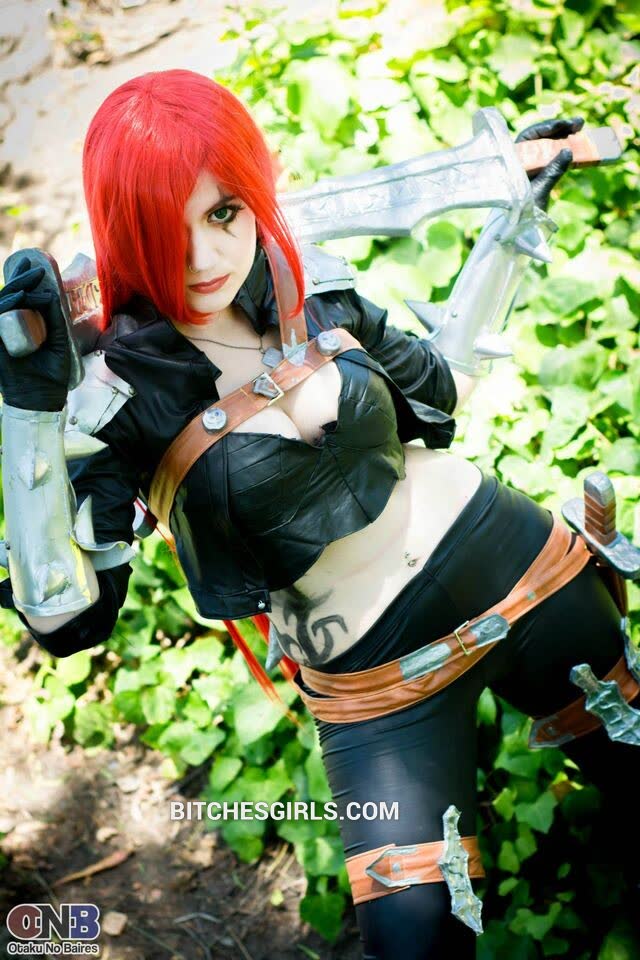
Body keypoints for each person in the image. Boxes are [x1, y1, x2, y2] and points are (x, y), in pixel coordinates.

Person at [0, 69, 637, 958]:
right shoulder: (114, 394)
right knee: (414, 939)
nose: (203, 258)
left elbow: (440, 392)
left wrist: (511, 225)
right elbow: (66, 621)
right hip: (378, 683)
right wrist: (29, 413)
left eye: (224, 213)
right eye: (164, 230)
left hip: (525, 570)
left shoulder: (308, 280)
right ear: (121, 229)